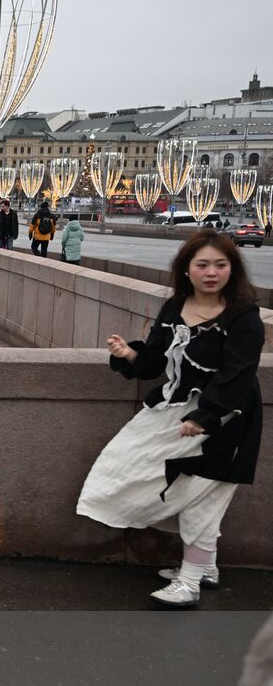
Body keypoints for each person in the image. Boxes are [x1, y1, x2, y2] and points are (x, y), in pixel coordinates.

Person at [77, 231, 264, 608]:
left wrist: (205, 417)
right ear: (187, 270)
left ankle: (191, 581)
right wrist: (129, 353)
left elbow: (237, 375)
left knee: (202, 498)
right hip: (171, 413)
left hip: (225, 422)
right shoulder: (174, 308)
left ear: (233, 269)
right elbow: (155, 364)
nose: (212, 273)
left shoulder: (243, 317)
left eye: (221, 265)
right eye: (203, 265)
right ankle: (206, 566)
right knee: (131, 471)